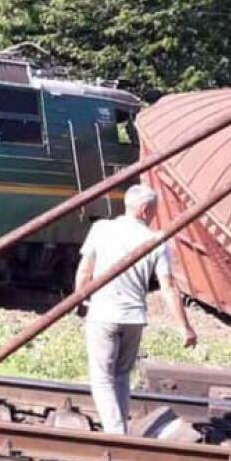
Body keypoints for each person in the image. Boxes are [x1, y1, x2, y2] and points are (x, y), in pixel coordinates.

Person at [75, 183, 197, 434]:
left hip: (103, 315)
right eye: (153, 210)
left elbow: (85, 270)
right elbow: (169, 287)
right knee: (121, 377)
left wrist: (80, 300)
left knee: (102, 378)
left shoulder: (101, 229)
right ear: (144, 210)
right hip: (134, 319)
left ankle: (116, 435)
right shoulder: (155, 240)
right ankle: (121, 432)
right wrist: (185, 328)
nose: (154, 215)